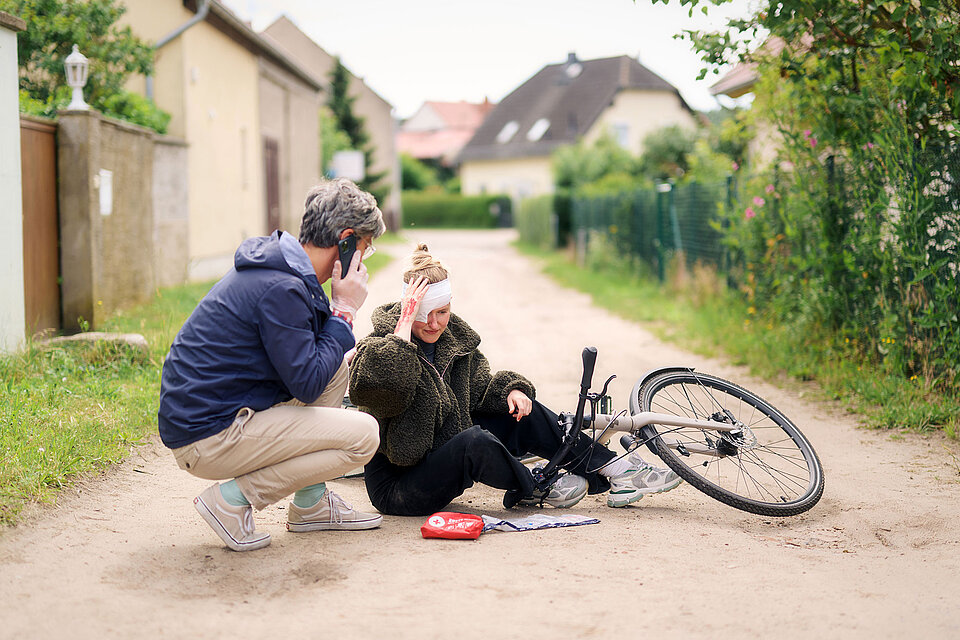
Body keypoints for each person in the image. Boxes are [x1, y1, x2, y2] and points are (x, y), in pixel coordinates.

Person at [348, 244, 681, 517]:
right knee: (473, 441)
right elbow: (385, 393)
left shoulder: (454, 343)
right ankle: (535, 486)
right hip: (400, 486)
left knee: (521, 409)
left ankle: (614, 468)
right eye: (424, 314)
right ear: (410, 308)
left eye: (443, 312)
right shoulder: (379, 347)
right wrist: (405, 325)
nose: (435, 324)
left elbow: (481, 388)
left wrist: (513, 390)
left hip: (442, 455)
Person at [158, 178, 386, 552]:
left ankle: (311, 505)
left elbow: (311, 369)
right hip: (208, 438)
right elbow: (306, 383)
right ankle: (232, 500)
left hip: (219, 415)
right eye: (364, 248)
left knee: (336, 372)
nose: (363, 260)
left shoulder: (286, 271)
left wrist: (335, 321)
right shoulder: (282, 287)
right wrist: (344, 312)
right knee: (364, 436)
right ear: (345, 241)